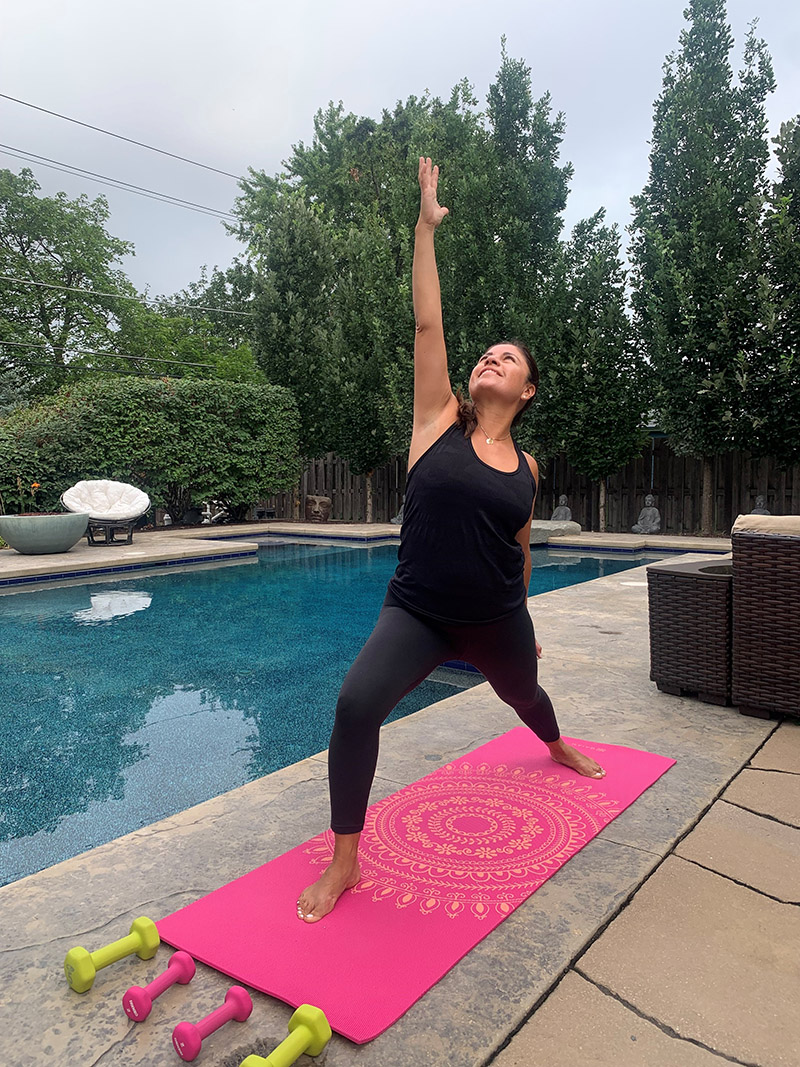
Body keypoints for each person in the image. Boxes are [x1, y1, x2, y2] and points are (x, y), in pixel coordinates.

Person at [296, 158, 605, 924]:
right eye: (486, 354)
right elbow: (428, 323)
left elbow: (521, 547)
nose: (488, 359)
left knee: (523, 693)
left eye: (507, 358)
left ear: (526, 391)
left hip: (496, 615)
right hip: (420, 610)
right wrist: (424, 229)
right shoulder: (437, 420)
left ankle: (557, 741)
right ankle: (346, 860)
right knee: (355, 703)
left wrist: (522, 625)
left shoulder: (528, 467)